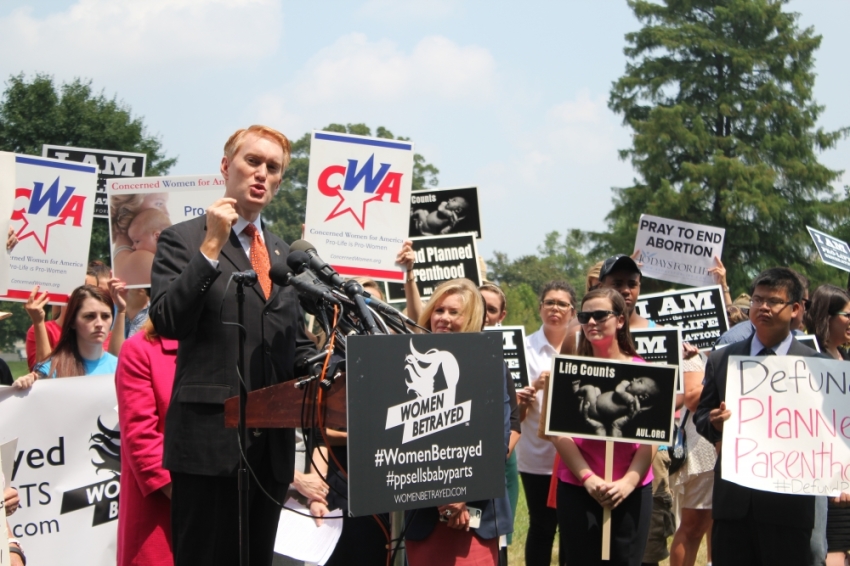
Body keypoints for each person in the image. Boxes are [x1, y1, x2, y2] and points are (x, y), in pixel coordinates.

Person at [149, 125, 317, 566]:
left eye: (273, 167)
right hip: (208, 443)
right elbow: (167, 321)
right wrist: (210, 246)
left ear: (280, 182)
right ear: (226, 167)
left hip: (271, 450)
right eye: (252, 161)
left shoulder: (286, 256)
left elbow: (295, 347)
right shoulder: (182, 240)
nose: (262, 173)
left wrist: (333, 363)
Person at [695, 267, 825, 565]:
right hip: (734, 506)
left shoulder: (816, 365)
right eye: (757, 299)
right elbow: (702, 416)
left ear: (794, 309)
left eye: (773, 301)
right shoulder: (723, 358)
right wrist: (714, 424)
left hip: (789, 509)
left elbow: (831, 430)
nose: (763, 307)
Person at [404, 278, 512, 565]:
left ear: (472, 317)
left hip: (475, 516)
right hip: (423, 515)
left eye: (454, 312)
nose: (444, 318)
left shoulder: (490, 364)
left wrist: (460, 494)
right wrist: (440, 494)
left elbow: (497, 439)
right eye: (439, 310)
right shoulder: (406, 363)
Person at [550, 287, 655, 566]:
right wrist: (588, 479)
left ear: (620, 320)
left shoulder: (642, 371)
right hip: (577, 486)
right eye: (585, 316)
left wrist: (628, 483)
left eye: (600, 315)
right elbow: (558, 434)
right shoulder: (570, 370)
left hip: (631, 489)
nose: (592, 322)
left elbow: (652, 440)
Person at [516, 281, 576, 566]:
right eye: (549, 302)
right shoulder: (524, 348)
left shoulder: (583, 349)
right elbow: (515, 410)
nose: (555, 308)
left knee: (572, 529)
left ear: (573, 311)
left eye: (562, 303)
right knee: (541, 525)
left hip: (576, 455)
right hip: (536, 455)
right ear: (540, 308)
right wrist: (536, 387)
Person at [116, 318, 178, 566]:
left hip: (218, 511)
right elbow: (142, 438)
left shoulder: (227, 345)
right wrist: (196, 504)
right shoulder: (140, 348)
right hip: (160, 511)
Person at [804, 284, 850, 566]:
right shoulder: (807, 359)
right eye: (847, 315)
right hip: (822, 478)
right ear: (826, 316)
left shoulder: (846, 359)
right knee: (829, 549)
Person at [480, 281, 522, 564]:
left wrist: (496, 457)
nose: (483, 313)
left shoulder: (497, 362)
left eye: (491, 309)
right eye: (478, 304)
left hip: (494, 473)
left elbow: (514, 422)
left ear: (501, 315)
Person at [13, 284, 120, 389]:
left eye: (105, 316)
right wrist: (23, 387)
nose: (99, 324)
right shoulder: (51, 368)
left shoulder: (122, 367)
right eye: (89, 316)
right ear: (72, 321)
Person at [668, 354, 715, 566]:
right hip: (703, 448)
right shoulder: (693, 355)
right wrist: (729, 375)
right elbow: (692, 398)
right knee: (694, 525)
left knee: (717, 524)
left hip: (729, 448)